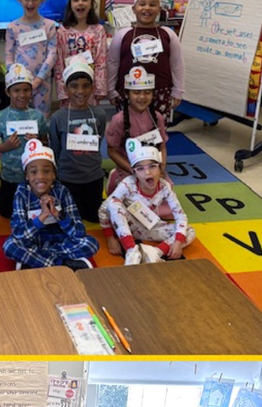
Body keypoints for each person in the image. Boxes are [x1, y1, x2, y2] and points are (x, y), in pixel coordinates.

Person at [3, 139, 99, 271]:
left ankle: (38, 261)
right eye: (34, 172)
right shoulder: (22, 193)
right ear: (26, 176)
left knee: (91, 243)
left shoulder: (62, 191)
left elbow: (79, 232)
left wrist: (58, 215)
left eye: (47, 171)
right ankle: (64, 265)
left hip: (60, 241)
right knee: (10, 245)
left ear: (54, 175)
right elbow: (19, 234)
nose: (41, 177)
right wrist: (42, 216)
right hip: (34, 240)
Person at [99, 139, 195, 263]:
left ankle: (155, 253)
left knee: (189, 230)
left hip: (149, 226)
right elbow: (103, 209)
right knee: (114, 203)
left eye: (152, 166)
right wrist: (110, 238)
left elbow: (180, 216)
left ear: (160, 168)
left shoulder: (165, 187)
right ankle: (131, 251)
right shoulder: (128, 184)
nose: (147, 172)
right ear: (134, 172)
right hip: (126, 228)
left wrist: (177, 242)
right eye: (140, 169)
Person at [107, 0, 185, 118]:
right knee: (127, 131)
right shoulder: (122, 35)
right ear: (133, 9)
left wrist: (178, 90)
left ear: (159, 9)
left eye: (152, 5)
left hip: (160, 92)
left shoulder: (168, 34)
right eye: (142, 4)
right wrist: (111, 89)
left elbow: (177, 64)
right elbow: (113, 63)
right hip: (128, 92)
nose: (147, 8)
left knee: (156, 132)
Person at [49, 57, 107, 224]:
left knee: (93, 218)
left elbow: (99, 139)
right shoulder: (57, 118)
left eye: (85, 86)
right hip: (68, 179)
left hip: (93, 178)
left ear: (92, 88)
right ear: (66, 89)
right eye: (74, 86)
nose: (80, 91)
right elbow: (55, 149)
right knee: (70, 220)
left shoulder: (100, 115)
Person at [0, 63, 48, 220]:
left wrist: (38, 143)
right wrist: (5, 146)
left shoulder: (37, 116)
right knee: (7, 214)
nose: (22, 95)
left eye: (26, 90)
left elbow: (46, 144)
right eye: (16, 90)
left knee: (33, 213)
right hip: (9, 176)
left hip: (34, 177)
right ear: (8, 92)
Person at [105, 65, 168, 195]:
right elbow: (112, 150)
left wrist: (161, 168)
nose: (142, 97)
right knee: (135, 207)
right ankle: (117, 177)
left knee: (164, 206)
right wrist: (133, 170)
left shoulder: (157, 117)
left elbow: (162, 147)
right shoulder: (119, 120)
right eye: (136, 92)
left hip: (152, 169)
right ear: (127, 94)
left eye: (147, 92)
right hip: (129, 169)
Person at [5, 0, 57, 116]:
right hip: (19, 86)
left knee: (40, 121)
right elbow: (9, 57)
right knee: (20, 119)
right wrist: (15, 78)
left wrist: (38, 80)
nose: (30, 3)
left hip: (42, 84)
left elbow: (52, 55)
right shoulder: (12, 27)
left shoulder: (49, 26)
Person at [55, 0, 108, 105]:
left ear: (91, 4)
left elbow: (101, 61)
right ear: (70, 5)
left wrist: (100, 89)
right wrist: (62, 91)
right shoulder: (62, 32)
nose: (80, 3)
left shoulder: (98, 31)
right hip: (70, 88)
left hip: (90, 88)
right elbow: (59, 63)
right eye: (76, 0)